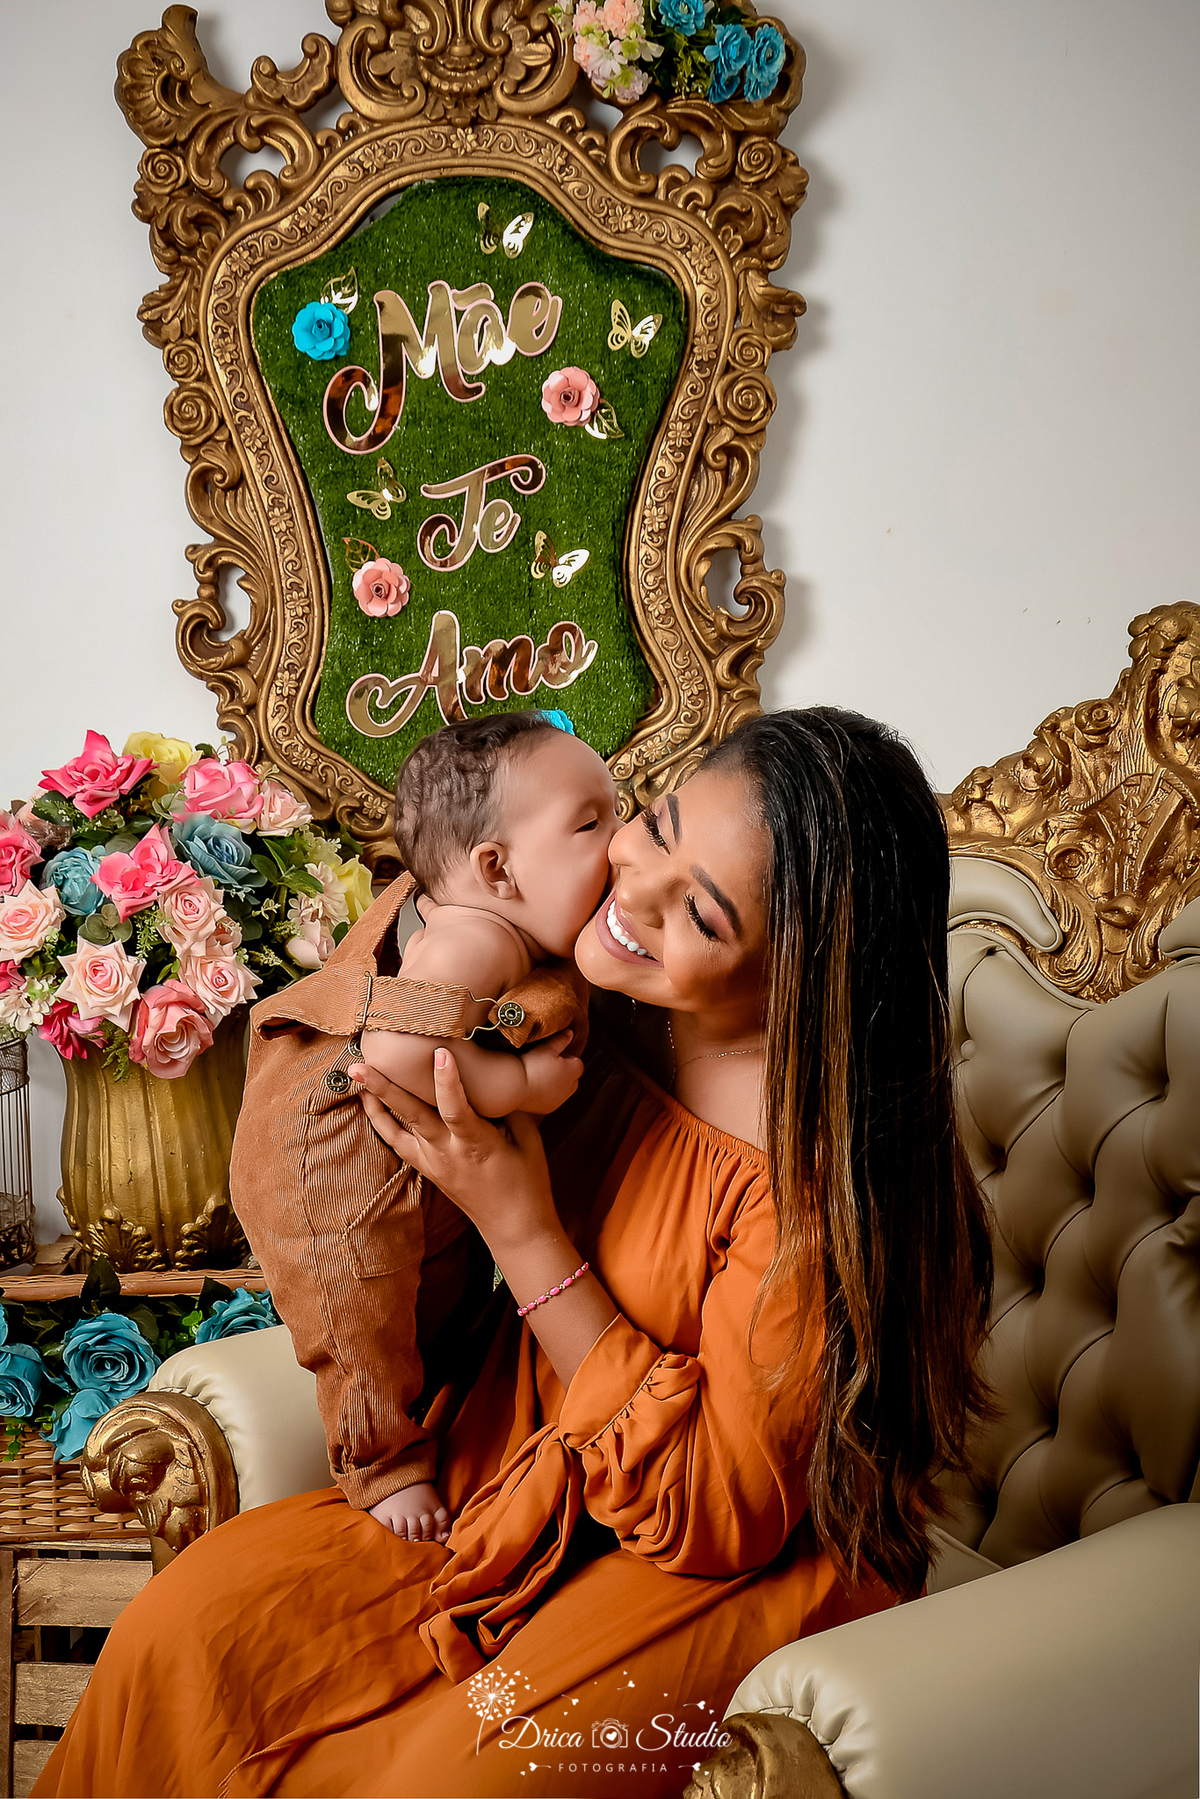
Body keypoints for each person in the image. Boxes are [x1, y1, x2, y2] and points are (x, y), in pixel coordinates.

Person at [36, 707, 993, 1799]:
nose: (635, 891)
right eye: (656, 826)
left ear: (800, 973)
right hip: (508, 1475)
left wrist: (518, 1223)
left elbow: (716, 1507)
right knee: (184, 1635)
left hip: (708, 1555)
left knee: (442, 1781)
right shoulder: (606, 1000)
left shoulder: (811, 1191)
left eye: (702, 913)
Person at [232, 712, 616, 1548]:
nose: (619, 841)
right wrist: (521, 1083)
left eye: (618, 812)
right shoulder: (475, 939)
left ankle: (429, 1410)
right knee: (357, 1318)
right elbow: (397, 1050)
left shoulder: (486, 917)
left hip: (388, 1142)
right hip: (326, 1156)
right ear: (496, 868)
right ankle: (381, 1465)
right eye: (591, 823)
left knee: (432, 1303)